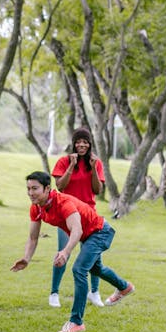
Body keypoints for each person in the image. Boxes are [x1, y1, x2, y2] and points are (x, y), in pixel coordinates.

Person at [10, 171, 135, 332]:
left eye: (35, 188)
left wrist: (65, 251)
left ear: (47, 188)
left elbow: (77, 230)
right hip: (89, 236)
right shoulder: (36, 209)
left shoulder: (63, 203)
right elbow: (33, 237)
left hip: (100, 232)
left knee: (79, 269)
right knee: (95, 269)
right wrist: (26, 258)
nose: (30, 193)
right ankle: (124, 287)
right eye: (28, 189)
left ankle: (76, 322)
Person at [49, 127, 106, 308]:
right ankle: (54, 293)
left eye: (85, 142)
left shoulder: (95, 163)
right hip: (66, 212)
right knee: (63, 251)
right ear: (73, 143)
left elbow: (98, 190)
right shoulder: (64, 161)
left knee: (94, 255)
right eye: (78, 141)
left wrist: (95, 168)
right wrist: (72, 166)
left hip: (88, 213)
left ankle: (94, 292)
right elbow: (60, 187)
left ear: (89, 144)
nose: (82, 144)